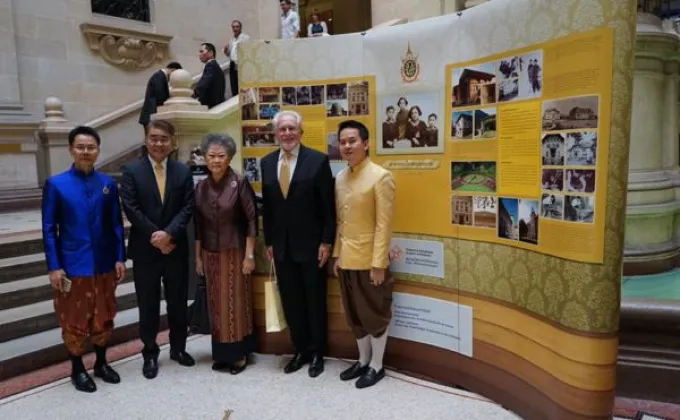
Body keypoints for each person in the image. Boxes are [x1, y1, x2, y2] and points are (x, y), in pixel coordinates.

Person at [41, 126, 127, 393]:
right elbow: (48, 229)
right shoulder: (56, 185)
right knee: (73, 318)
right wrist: (54, 266)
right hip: (72, 267)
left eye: (91, 147)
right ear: (71, 149)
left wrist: (119, 257)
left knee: (104, 315)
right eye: (81, 147)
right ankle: (77, 368)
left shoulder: (108, 185)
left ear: (98, 150)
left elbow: (115, 224)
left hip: (104, 265)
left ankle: (101, 363)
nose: (86, 152)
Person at [260, 110, 335, 378]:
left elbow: (328, 208)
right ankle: (300, 349)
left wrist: (327, 242)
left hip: (312, 246)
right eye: (283, 129)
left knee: (314, 300)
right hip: (281, 248)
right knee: (291, 301)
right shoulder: (267, 163)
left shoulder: (317, 161)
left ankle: (317, 352)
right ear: (276, 133)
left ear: (301, 132)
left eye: (292, 129)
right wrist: (268, 241)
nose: (287, 133)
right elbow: (267, 208)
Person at [119, 119, 196, 379]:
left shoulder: (183, 172)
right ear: (146, 139)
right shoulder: (131, 171)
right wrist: (156, 236)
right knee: (148, 304)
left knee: (177, 302)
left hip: (175, 248)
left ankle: (178, 349)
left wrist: (169, 235)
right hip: (146, 250)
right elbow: (131, 208)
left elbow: (187, 207)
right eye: (154, 138)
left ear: (172, 142)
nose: (159, 143)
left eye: (164, 138)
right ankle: (150, 352)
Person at [332, 120, 396, 389]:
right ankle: (362, 360)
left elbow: (384, 224)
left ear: (366, 144)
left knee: (374, 314)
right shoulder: (340, 177)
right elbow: (340, 221)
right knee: (354, 315)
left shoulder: (381, 176)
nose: (347, 146)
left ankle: (377, 366)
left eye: (352, 141)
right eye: (343, 141)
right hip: (346, 259)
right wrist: (336, 255)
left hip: (370, 261)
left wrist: (379, 263)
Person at [194, 134, 258, 375]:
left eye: (221, 156)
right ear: (205, 158)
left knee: (234, 302)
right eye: (211, 156)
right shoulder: (200, 186)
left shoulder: (239, 182)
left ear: (230, 157)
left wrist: (250, 256)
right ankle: (222, 354)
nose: (216, 160)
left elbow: (252, 221)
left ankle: (239, 354)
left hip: (235, 252)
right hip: (210, 253)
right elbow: (198, 224)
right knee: (217, 305)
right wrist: (197, 257)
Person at [139, 62, 183, 133]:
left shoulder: (159, 76)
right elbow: (160, 95)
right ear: (173, 70)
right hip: (152, 114)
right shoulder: (160, 76)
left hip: (151, 114)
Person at [223, 20, 250, 98]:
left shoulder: (246, 38)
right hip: (232, 64)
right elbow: (230, 54)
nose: (235, 28)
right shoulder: (231, 40)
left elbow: (248, 51)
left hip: (241, 64)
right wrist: (226, 51)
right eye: (233, 27)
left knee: (241, 85)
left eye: (237, 26)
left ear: (240, 27)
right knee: (233, 85)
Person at [194, 43, 226, 108]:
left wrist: (190, 95)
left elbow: (202, 85)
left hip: (211, 107)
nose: (199, 54)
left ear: (211, 53)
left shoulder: (210, 66)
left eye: (202, 51)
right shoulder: (215, 66)